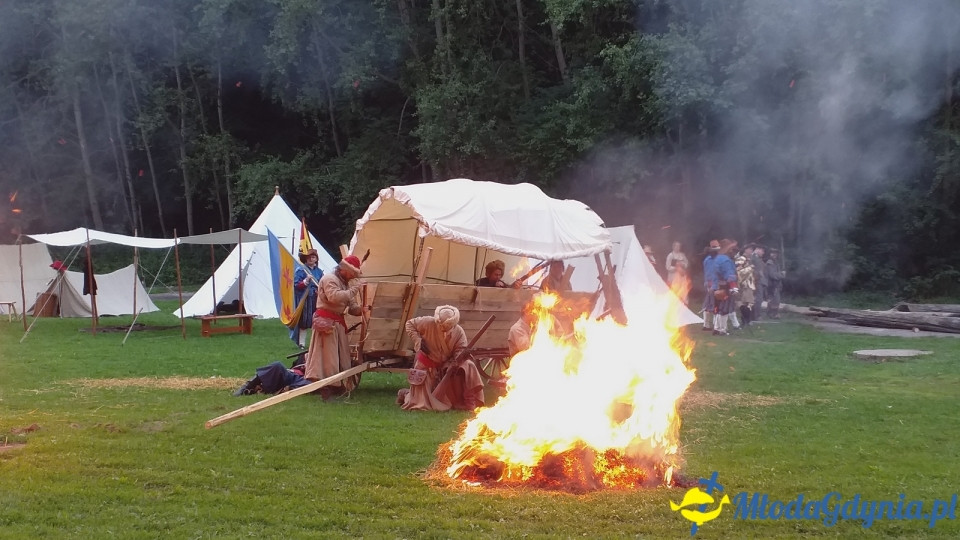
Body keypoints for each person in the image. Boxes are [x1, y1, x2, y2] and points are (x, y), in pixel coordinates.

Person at [398, 305, 484, 411]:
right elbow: (409, 324)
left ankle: (469, 401)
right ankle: (406, 394)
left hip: (445, 367)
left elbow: (459, 350)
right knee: (421, 404)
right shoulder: (428, 322)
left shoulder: (459, 332)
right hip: (426, 366)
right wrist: (418, 341)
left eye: (447, 327)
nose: (443, 329)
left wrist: (457, 360)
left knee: (469, 365)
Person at [304, 254, 365, 400]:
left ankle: (336, 383)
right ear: (344, 269)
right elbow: (334, 297)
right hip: (326, 322)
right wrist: (354, 290)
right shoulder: (329, 279)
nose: (352, 276)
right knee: (327, 357)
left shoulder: (345, 283)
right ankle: (326, 386)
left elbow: (351, 307)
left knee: (338, 355)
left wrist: (363, 309)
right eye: (352, 273)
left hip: (337, 323)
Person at [232, 353, 311, 396]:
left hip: (302, 379)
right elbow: (295, 366)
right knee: (277, 365)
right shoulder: (306, 354)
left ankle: (261, 389)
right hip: (292, 374)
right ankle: (248, 386)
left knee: (310, 385)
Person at [290, 249, 324, 348]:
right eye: (308, 257)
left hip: (317, 298)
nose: (310, 259)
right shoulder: (301, 270)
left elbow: (323, 283)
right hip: (305, 299)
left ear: (316, 259)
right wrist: (306, 280)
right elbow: (296, 285)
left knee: (316, 320)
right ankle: (302, 344)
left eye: (313, 257)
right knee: (304, 321)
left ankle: (315, 343)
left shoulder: (319, 272)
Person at [709, 239, 739, 336]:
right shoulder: (726, 260)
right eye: (731, 248)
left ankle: (716, 328)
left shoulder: (715, 259)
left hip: (715, 286)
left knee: (717, 308)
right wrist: (733, 287)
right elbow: (729, 275)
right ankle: (722, 329)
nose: (732, 251)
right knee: (724, 308)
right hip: (724, 287)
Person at [701, 240, 720, 331]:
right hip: (715, 285)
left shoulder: (707, 260)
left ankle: (707, 325)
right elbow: (711, 273)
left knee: (708, 305)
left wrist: (707, 284)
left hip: (710, 285)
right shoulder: (715, 260)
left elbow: (706, 273)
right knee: (716, 305)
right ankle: (714, 326)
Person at [735, 246, 756, 326]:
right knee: (745, 303)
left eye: (752, 249)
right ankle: (745, 320)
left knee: (749, 303)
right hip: (744, 285)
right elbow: (739, 272)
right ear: (746, 250)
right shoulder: (741, 259)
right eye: (750, 249)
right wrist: (750, 268)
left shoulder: (749, 259)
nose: (751, 251)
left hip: (749, 284)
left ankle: (747, 320)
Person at [766, 248, 785, 319]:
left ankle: (772, 313)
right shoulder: (770, 263)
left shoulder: (775, 262)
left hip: (775, 284)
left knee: (775, 299)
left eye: (776, 253)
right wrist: (781, 275)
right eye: (773, 253)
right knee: (775, 300)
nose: (774, 254)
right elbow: (772, 275)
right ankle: (772, 314)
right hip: (772, 284)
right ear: (770, 254)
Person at [751, 245, 767, 319]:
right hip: (756, 281)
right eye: (762, 250)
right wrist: (758, 274)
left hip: (759, 281)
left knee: (759, 299)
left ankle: (756, 314)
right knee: (758, 299)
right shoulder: (753, 258)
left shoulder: (757, 258)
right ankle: (755, 315)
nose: (763, 253)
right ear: (757, 249)